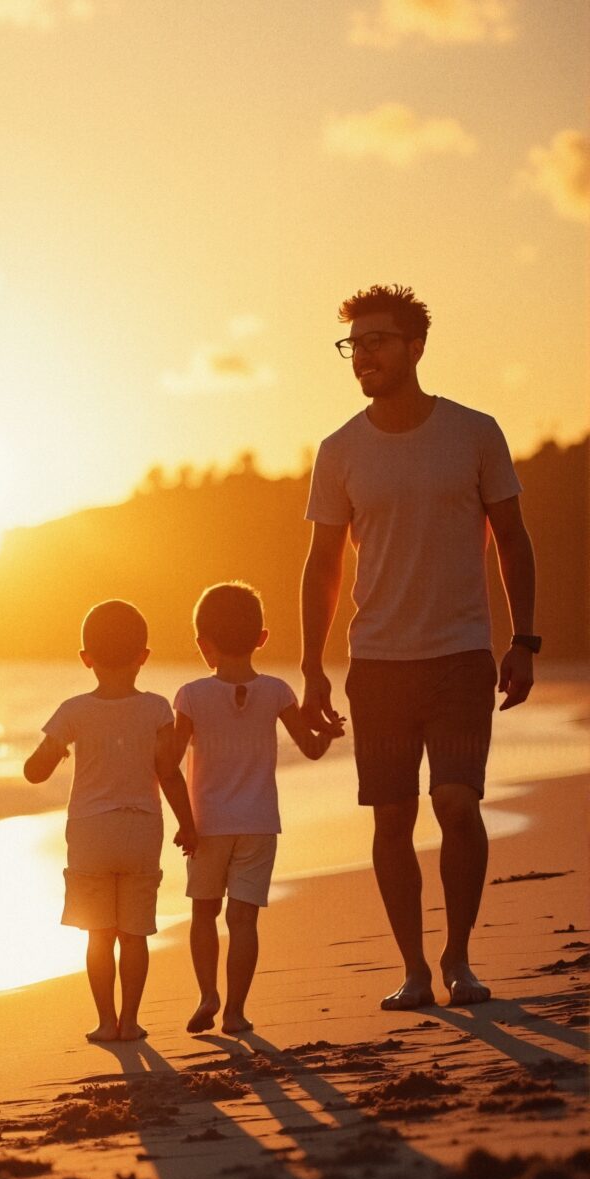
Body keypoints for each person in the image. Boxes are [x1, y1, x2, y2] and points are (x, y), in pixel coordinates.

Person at [300, 284, 538, 1012]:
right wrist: (311, 666)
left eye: (375, 341)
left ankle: (458, 957)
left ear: (416, 346)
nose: (362, 355)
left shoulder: (474, 433)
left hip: (461, 656)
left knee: (458, 804)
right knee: (392, 818)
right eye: (353, 344)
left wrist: (524, 639)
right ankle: (413, 970)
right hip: (377, 664)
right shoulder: (340, 450)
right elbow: (323, 564)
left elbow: (513, 539)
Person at [169, 583, 338, 1035]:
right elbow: (312, 749)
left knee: (204, 913)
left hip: (207, 826)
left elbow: (169, 764)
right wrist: (329, 733)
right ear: (262, 638)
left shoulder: (190, 696)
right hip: (259, 824)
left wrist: (183, 822)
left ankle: (207, 995)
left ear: (203, 644)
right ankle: (236, 1012)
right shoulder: (278, 691)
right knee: (243, 920)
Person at [24, 600, 197, 1043]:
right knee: (134, 933)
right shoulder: (157, 708)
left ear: (86, 658)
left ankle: (105, 1022)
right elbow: (168, 772)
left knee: (99, 934)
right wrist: (188, 823)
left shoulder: (73, 710)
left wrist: (60, 748)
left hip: (90, 833)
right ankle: (131, 1021)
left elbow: (34, 772)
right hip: (141, 829)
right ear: (144, 656)